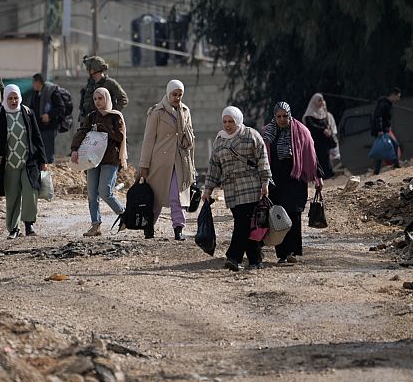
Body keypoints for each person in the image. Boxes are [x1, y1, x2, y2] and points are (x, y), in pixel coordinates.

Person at [202, 106, 272, 271]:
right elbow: (214, 168)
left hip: (250, 187)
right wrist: (207, 190)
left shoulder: (250, 135)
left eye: (231, 121)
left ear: (238, 120)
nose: (227, 125)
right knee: (247, 225)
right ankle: (255, 259)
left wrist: (265, 182)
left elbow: (262, 159)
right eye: (225, 121)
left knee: (242, 223)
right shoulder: (220, 140)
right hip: (231, 190)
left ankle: (233, 257)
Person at [263, 102, 323, 263]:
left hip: (295, 180)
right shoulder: (267, 133)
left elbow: (311, 155)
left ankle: (292, 252)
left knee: (294, 215)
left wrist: (318, 177)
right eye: (279, 116)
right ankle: (282, 254)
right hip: (275, 181)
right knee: (278, 216)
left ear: (290, 115)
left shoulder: (301, 132)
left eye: (285, 116)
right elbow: (261, 157)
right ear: (274, 117)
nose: (282, 119)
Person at [0, 84, 48, 239]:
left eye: (15, 98)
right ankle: (13, 228)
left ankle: (29, 225)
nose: (13, 101)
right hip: (9, 165)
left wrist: (43, 159)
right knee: (12, 197)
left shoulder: (27, 112)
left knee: (30, 193)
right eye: (10, 98)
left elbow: (37, 137)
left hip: (29, 162)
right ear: (5, 99)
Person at [138, 80, 196, 240]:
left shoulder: (185, 111)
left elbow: (191, 140)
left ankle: (179, 228)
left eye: (180, 95)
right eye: (174, 94)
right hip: (160, 162)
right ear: (168, 93)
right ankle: (148, 227)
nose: (177, 98)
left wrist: (192, 166)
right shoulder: (156, 112)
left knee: (177, 196)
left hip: (180, 160)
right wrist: (144, 164)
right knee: (155, 197)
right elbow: (148, 140)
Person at [71, 87, 128, 237]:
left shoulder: (116, 117)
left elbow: (120, 138)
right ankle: (95, 225)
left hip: (110, 159)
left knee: (105, 192)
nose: (97, 102)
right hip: (93, 160)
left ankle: (124, 214)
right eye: (95, 99)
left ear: (107, 99)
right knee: (91, 194)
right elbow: (82, 131)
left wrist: (105, 129)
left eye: (100, 98)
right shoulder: (91, 117)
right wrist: (75, 149)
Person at [79, 55, 128, 123]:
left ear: (94, 69)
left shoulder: (109, 83)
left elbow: (123, 99)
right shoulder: (90, 84)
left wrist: (111, 113)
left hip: (104, 122)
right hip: (89, 120)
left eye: (89, 69)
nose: (88, 71)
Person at [29, 73, 65, 164]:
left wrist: (49, 115)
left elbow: (60, 107)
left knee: (48, 153)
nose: (32, 85)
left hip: (50, 127)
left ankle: (49, 173)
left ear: (38, 82)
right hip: (38, 127)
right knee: (39, 152)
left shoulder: (51, 91)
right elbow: (31, 108)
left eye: (33, 82)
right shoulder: (36, 93)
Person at [301, 93, 337, 179]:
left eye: (322, 100)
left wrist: (328, 130)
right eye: (319, 100)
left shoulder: (324, 113)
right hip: (315, 141)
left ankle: (328, 174)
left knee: (326, 157)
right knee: (318, 158)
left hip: (325, 140)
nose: (321, 102)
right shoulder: (309, 115)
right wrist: (322, 130)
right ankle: (319, 176)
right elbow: (311, 126)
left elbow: (328, 123)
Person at [371, 87, 402, 174]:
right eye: (398, 97)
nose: (398, 99)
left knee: (382, 149)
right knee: (394, 145)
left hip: (386, 130)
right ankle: (396, 164)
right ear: (393, 95)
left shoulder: (388, 104)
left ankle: (377, 170)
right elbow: (378, 117)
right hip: (382, 131)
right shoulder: (383, 104)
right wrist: (380, 130)